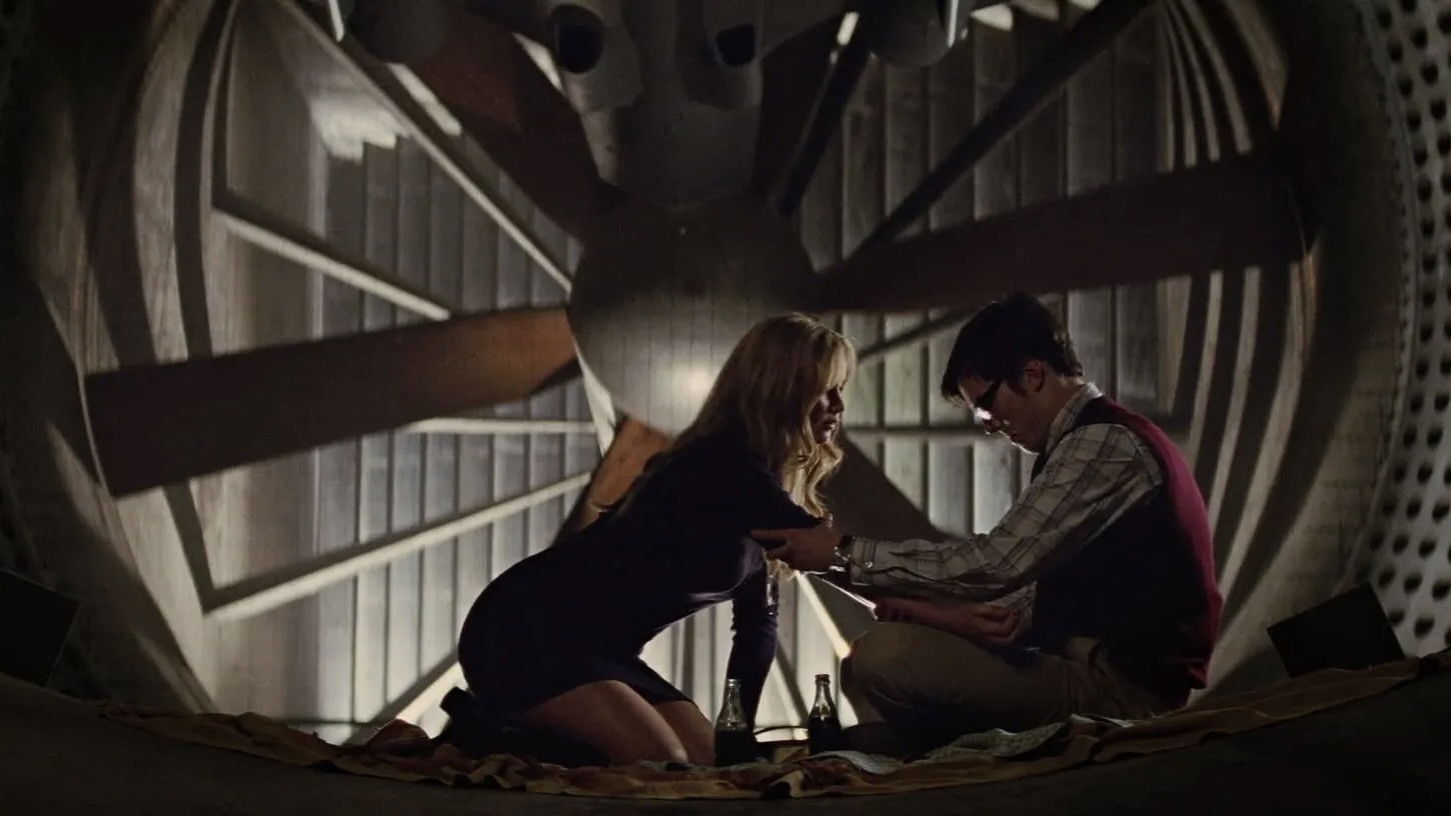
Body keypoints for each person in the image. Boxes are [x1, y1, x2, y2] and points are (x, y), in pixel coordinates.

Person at [755, 293, 1222, 752]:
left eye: (985, 404)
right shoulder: (1085, 444)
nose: (988, 424)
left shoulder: (1103, 444)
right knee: (863, 665)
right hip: (1083, 666)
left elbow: (997, 562)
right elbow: (1013, 599)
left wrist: (844, 552)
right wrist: (929, 609)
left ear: (1032, 375)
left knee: (885, 658)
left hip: (1118, 691)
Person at [455, 313, 855, 765]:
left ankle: (529, 735)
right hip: (526, 628)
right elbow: (834, 554)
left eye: (840, 389)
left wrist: (739, 731)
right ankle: (493, 734)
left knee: (709, 765)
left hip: (606, 653)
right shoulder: (720, 461)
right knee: (664, 765)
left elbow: (757, 629)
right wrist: (913, 586)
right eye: (826, 389)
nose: (838, 406)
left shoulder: (762, 487)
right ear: (782, 389)